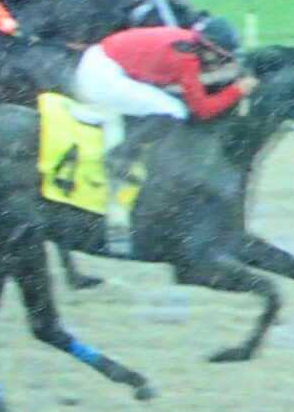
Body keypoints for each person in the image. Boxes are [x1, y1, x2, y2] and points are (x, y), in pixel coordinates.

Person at [71, 16, 251, 255]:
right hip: (101, 75)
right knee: (173, 110)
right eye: (220, 57)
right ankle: (120, 154)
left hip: (103, 60)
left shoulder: (189, 44)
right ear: (207, 48)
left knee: (164, 103)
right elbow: (201, 109)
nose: (219, 63)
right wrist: (237, 91)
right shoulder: (186, 58)